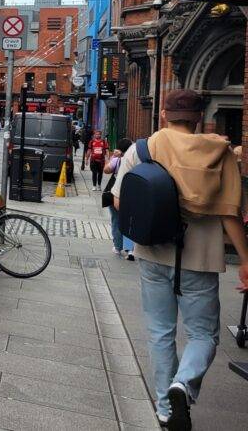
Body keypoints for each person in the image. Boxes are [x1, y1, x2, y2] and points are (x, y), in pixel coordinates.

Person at [112, 89, 248, 429]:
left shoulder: (143, 149)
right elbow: (231, 214)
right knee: (203, 334)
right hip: (201, 257)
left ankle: (165, 408)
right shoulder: (221, 153)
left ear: (162, 114)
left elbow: (119, 202)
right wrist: (246, 261)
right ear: (199, 117)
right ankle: (183, 384)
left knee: (160, 332)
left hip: (155, 253)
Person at [102, 138, 134, 260]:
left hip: (117, 193)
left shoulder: (118, 160)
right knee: (130, 221)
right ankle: (130, 250)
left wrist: (111, 158)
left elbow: (106, 170)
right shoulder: (135, 160)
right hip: (131, 193)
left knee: (116, 220)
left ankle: (117, 247)